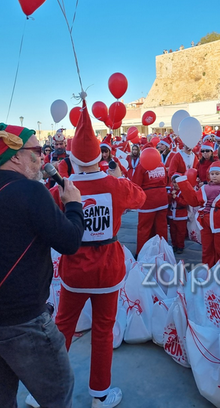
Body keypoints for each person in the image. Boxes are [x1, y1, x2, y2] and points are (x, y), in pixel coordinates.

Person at [0, 123, 84, 408]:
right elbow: (70, 242)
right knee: (58, 394)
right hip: (25, 320)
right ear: (15, 156)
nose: (42, 158)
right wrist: (73, 205)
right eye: (36, 151)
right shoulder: (30, 192)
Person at [49, 106, 146, 408]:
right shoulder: (114, 185)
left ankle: (46, 391)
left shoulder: (63, 188)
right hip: (107, 271)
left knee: (62, 327)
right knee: (103, 332)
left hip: (75, 272)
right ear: (101, 157)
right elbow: (140, 198)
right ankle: (100, 396)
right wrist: (119, 177)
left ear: (72, 158)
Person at [177, 161, 220, 281]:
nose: (214, 176)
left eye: (217, 173)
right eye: (212, 174)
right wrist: (183, 183)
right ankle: (207, 276)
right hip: (205, 225)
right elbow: (193, 201)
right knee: (206, 251)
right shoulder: (204, 188)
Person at [132, 154, 169, 255]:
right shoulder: (161, 165)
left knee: (144, 228)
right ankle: (163, 251)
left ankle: (142, 252)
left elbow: (136, 184)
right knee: (161, 227)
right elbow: (166, 181)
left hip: (148, 201)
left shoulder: (142, 166)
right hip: (162, 198)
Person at [168, 173, 188, 254]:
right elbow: (167, 201)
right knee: (172, 231)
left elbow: (184, 203)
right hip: (172, 215)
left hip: (181, 215)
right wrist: (170, 195)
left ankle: (180, 246)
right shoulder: (171, 190)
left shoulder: (184, 191)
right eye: (174, 182)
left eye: (177, 182)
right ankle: (174, 245)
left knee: (181, 232)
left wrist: (175, 197)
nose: (175, 184)